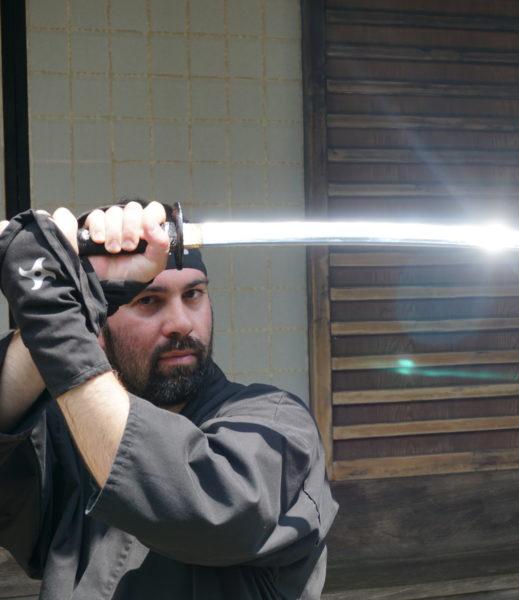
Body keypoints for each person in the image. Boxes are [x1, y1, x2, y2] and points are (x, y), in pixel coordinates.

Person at [0, 200, 337, 599]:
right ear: (99, 324)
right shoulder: (69, 437)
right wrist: (62, 307)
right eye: (148, 300)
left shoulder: (275, 427)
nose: (180, 323)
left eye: (193, 294)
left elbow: (200, 508)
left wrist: (51, 309)